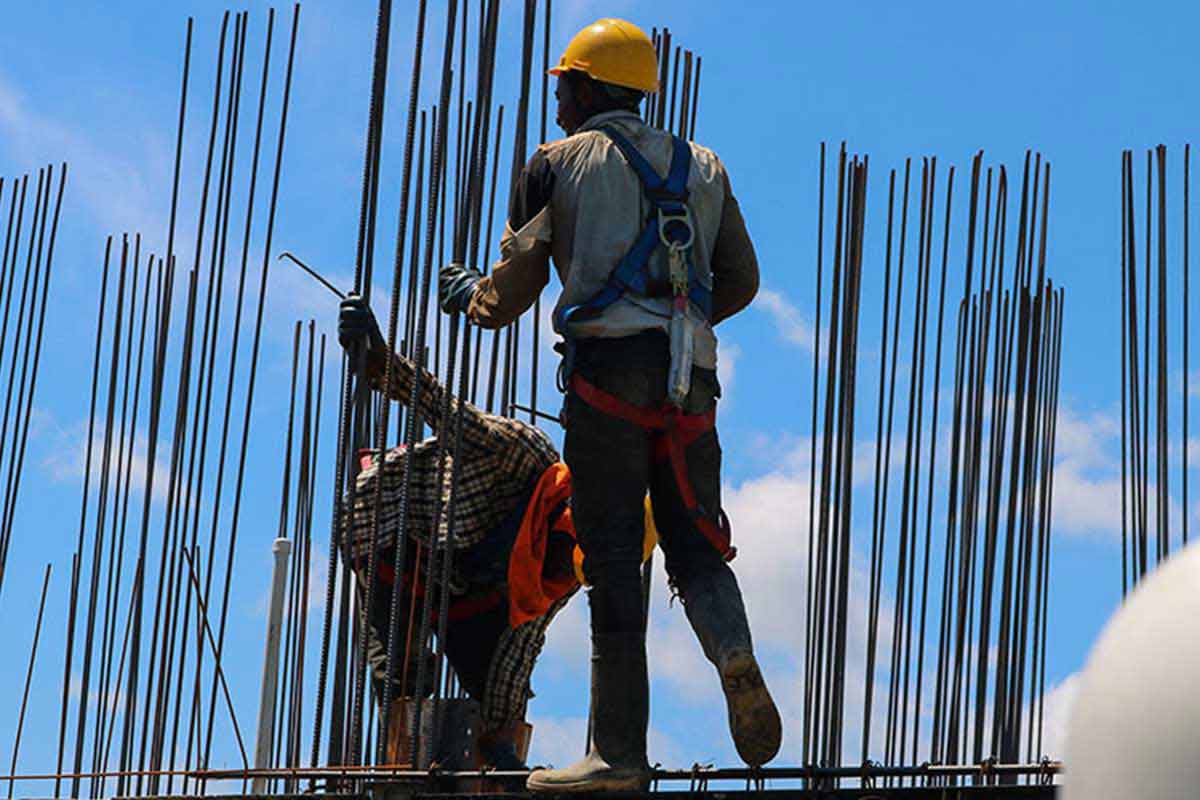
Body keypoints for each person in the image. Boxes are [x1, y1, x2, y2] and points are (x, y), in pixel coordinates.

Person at [438, 17, 780, 793]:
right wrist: (681, 325)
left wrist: (471, 298)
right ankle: (732, 650)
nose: (557, 98)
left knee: (616, 566)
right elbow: (743, 280)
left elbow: (514, 291)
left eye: (565, 84)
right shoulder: (706, 165)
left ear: (591, 87)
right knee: (696, 547)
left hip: (605, 385)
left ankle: (618, 754)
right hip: (689, 384)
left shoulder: (553, 164)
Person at [338, 297, 595, 769]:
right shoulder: (523, 457)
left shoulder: (567, 571)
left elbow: (519, 647)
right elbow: (449, 412)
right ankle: (401, 774)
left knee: (491, 721)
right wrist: (381, 363)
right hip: (394, 533)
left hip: (466, 586)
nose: (560, 568)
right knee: (399, 680)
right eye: (563, 552)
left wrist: (502, 737)